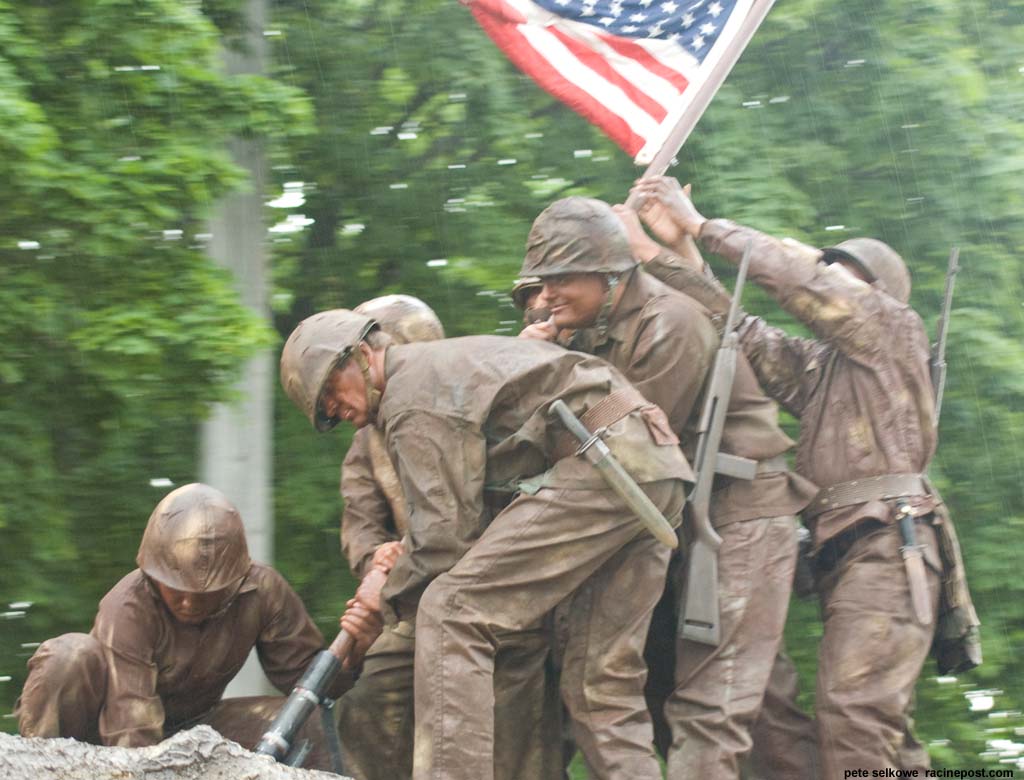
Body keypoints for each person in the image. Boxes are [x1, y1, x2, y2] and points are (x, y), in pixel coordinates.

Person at [629, 175, 980, 779]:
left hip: (890, 547)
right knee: (787, 718)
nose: (826, 273)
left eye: (842, 271)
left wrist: (702, 225)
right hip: (840, 552)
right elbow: (734, 327)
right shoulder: (825, 370)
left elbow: (805, 283)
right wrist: (668, 256)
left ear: (877, 296)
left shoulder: (897, 331)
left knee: (854, 713)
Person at [280, 310, 689, 780]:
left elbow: (443, 544)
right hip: (651, 463)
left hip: (602, 458)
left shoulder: (411, 397)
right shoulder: (442, 370)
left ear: (363, 354)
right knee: (601, 688)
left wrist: (381, 600)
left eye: (331, 390)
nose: (334, 408)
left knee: (450, 612)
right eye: (324, 410)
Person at [518, 196, 819, 780]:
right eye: (541, 281)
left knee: (715, 708)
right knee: (685, 702)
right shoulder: (593, 332)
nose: (546, 295)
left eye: (561, 280)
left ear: (610, 274)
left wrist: (546, 375)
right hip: (680, 520)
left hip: (740, 518)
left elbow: (626, 442)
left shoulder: (668, 320)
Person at [335, 294, 562, 780]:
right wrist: (378, 557)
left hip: (501, 590)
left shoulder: (475, 406)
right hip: (414, 592)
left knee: (517, 732)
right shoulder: (365, 439)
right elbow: (359, 517)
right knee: (371, 696)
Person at [16, 483, 379, 771]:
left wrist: (356, 651)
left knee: (310, 723)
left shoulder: (262, 591)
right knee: (68, 656)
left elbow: (312, 690)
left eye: (206, 594)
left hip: (194, 728)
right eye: (177, 588)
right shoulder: (127, 607)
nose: (189, 602)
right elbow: (133, 735)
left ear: (235, 582)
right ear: (153, 573)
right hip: (108, 733)